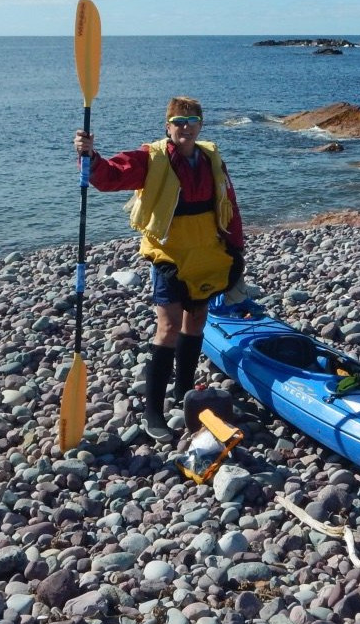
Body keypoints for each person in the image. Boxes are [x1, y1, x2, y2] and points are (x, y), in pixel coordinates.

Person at [73, 97, 245, 444]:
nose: (185, 126)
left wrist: (236, 249)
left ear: (200, 125)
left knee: (196, 319)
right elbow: (110, 178)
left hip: (206, 251)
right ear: (167, 127)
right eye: (178, 121)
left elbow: (228, 204)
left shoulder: (212, 157)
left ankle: (183, 391)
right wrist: (89, 156)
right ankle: (153, 410)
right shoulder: (151, 157)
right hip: (168, 251)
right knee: (167, 326)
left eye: (192, 120)